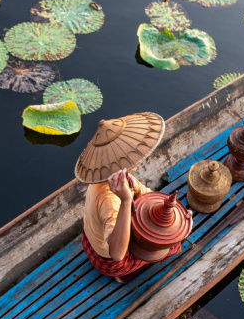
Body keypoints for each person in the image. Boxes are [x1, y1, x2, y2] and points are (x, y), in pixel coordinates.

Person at [75, 113, 189, 281]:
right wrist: (127, 200)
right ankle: (124, 276)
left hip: (89, 239)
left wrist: (177, 213)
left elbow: (144, 192)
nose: (138, 154)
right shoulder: (110, 198)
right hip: (109, 261)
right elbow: (116, 254)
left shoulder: (112, 175)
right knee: (172, 245)